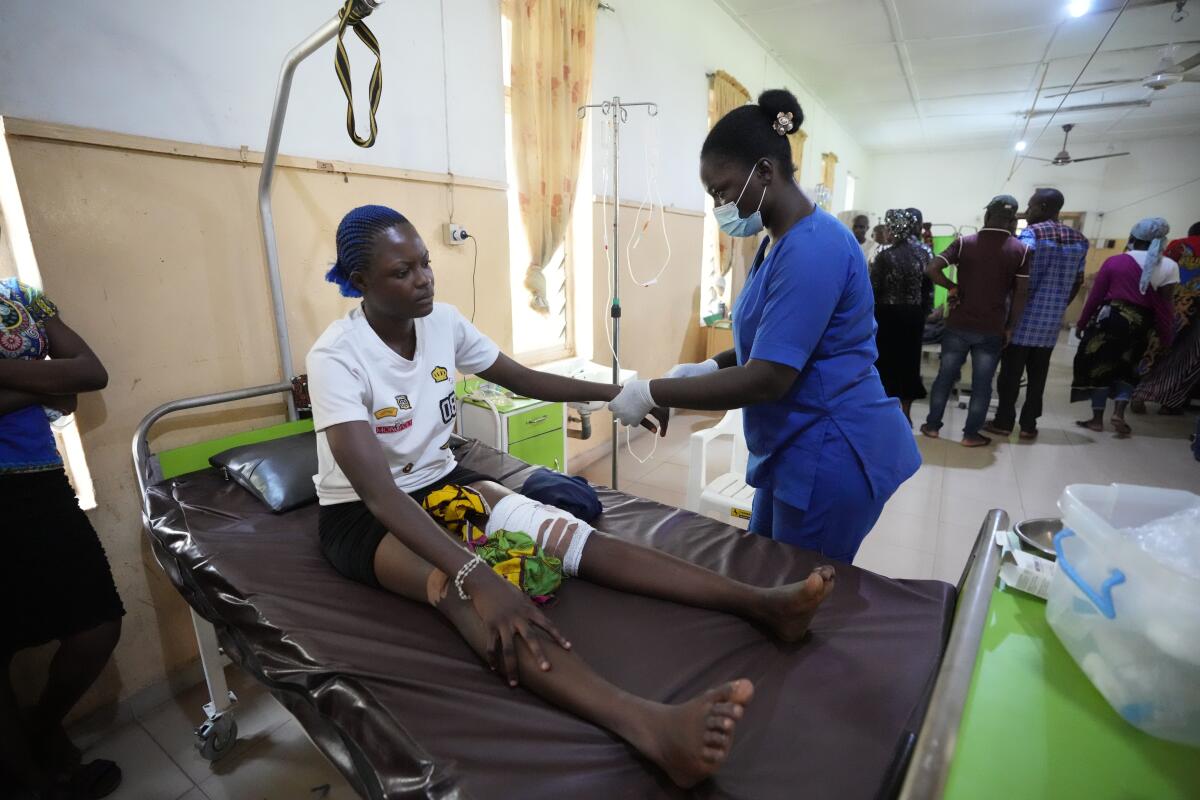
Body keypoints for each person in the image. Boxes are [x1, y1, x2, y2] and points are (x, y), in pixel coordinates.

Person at [307, 204, 837, 790]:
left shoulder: (442, 323)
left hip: (441, 482)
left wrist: (624, 394)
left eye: (425, 264)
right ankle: (648, 726)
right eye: (401, 272)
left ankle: (760, 603)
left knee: (574, 535)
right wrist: (476, 577)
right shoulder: (336, 358)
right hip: (364, 518)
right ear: (359, 283)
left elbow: (527, 380)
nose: (425, 278)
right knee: (457, 593)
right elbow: (379, 495)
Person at [606, 89, 920, 562]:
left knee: (797, 592)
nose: (719, 205)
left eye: (722, 190)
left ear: (765, 172)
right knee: (761, 569)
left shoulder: (815, 248)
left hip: (833, 449)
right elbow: (772, 338)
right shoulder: (778, 243)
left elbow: (770, 376)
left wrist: (654, 392)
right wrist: (710, 365)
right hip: (794, 446)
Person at [0, 279, 123, 799]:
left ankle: (40, 726)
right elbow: (66, 387)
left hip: (40, 481)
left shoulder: (19, 296)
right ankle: (28, 781)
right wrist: (47, 381)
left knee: (97, 624)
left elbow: (91, 373)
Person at [922, 195, 1030, 447]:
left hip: (958, 325)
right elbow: (1021, 293)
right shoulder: (1020, 250)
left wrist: (952, 287)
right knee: (982, 384)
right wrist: (1010, 327)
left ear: (986, 216)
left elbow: (932, 269)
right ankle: (970, 435)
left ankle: (932, 427)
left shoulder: (963, 243)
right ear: (1012, 220)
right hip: (991, 328)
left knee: (945, 377)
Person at [985, 189, 1089, 439]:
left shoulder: (1031, 234)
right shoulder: (1080, 239)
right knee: (1038, 377)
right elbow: (1078, 281)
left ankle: (1004, 422)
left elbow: (1018, 276)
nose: (1028, 212)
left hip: (1020, 321)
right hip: (1050, 324)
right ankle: (1029, 425)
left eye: (1030, 207)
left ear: (1043, 207)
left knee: (1010, 376)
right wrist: (1059, 304)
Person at [1072, 218, 1176, 436]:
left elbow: (1096, 297)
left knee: (1101, 366)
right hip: (1143, 324)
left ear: (1132, 238)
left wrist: (1082, 322)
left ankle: (1097, 420)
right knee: (1129, 368)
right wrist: (1167, 336)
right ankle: (1119, 412)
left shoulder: (1115, 261)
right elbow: (1167, 306)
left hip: (1111, 319)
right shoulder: (1169, 266)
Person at [1133, 220, 1200, 414]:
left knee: (1154, 350)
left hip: (1172, 306)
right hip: (1197, 316)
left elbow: (1159, 272)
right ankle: (1170, 402)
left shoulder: (1178, 245)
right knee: (1188, 359)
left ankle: (1138, 394)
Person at [870, 208, 929, 423]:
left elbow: (874, 289)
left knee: (886, 362)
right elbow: (927, 288)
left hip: (888, 316)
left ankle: (886, 411)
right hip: (914, 315)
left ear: (892, 229)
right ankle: (906, 413)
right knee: (910, 362)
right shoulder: (923, 253)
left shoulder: (884, 256)